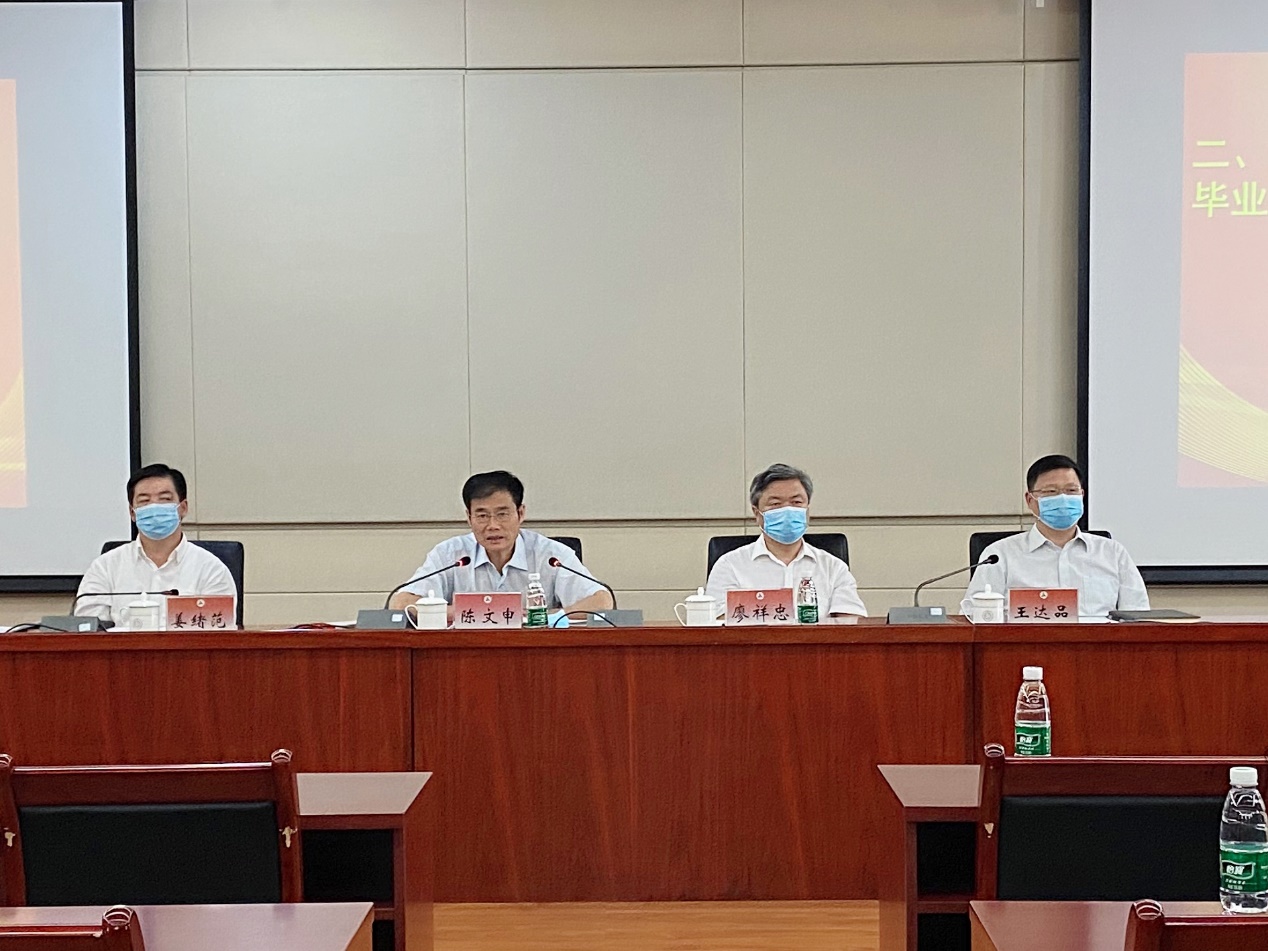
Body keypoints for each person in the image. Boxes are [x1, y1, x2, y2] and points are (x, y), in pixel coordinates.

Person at [390, 470, 615, 616]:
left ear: (520, 513)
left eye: (502, 514)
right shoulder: (450, 555)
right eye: (482, 515)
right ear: (468, 517)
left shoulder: (551, 555)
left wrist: (544, 617)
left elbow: (601, 601)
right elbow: (402, 603)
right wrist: (466, 613)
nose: (493, 525)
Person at [961, 454, 1149, 617]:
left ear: (1082, 495)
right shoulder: (999, 555)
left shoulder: (1112, 553)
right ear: (1030, 500)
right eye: (1051, 492)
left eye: (1071, 490)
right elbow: (972, 618)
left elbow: (1138, 618)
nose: (1063, 498)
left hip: (1098, 647)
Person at [76, 463, 236, 625]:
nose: (154, 507)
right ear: (132, 513)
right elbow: (87, 628)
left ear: (183, 508)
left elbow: (218, 631)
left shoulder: (211, 569)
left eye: (164, 499)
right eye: (144, 501)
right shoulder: (105, 567)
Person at [704, 463, 867, 618]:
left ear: (807, 510)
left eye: (796, 502)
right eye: (775, 504)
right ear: (757, 513)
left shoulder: (833, 568)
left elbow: (852, 625)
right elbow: (717, 626)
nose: (787, 510)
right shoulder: (730, 566)